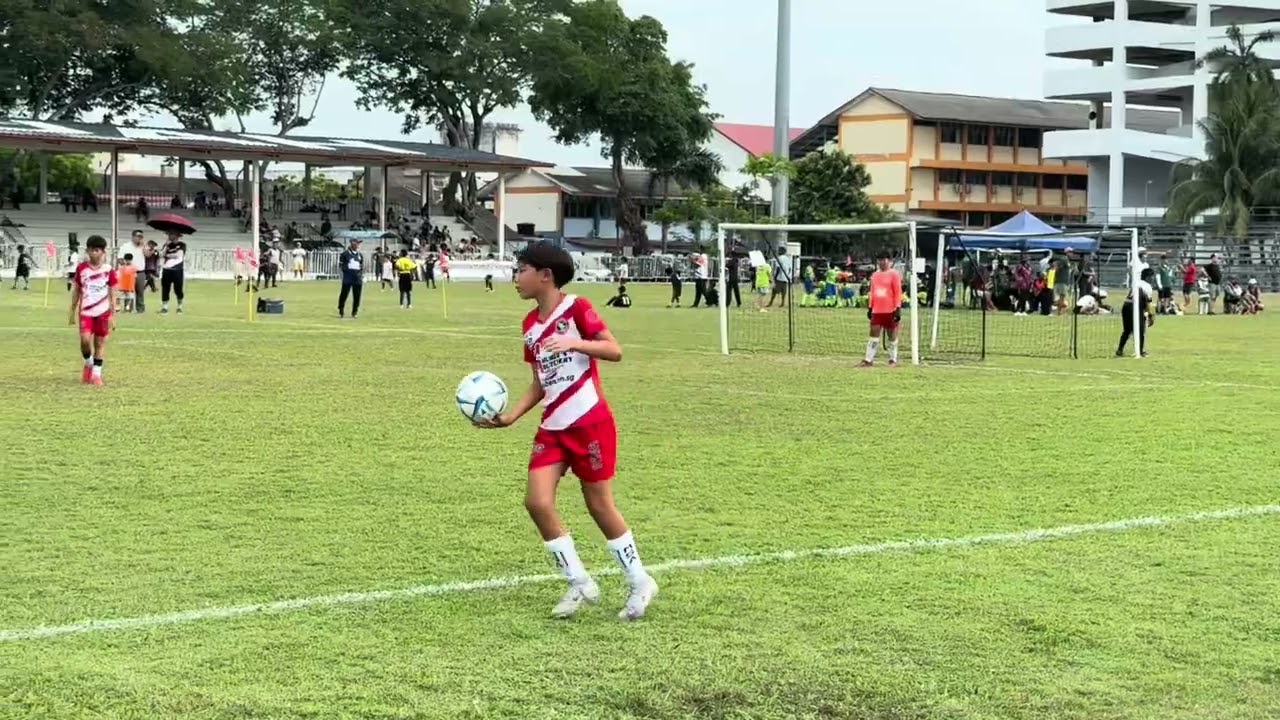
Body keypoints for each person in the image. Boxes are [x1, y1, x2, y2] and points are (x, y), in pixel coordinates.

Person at [475, 241, 656, 621]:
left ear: (545, 275)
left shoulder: (577, 308)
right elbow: (539, 382)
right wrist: (511, 417)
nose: (515, 278)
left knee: (599, 505)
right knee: (536, 502)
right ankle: (579, 581)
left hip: (590, 422)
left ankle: (640, 581)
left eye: (521, 270)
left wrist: (574, 342)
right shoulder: (529, 326)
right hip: (552, 428)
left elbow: (614, 350)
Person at [68, 235, 118, 385]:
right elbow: (77, 289)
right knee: (84, 341)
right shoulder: (82, 268)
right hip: (86, 312)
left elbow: (113, 293)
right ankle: (88, 363)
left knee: (100, 343)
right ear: (87, 251)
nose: (93, 253)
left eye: (97, 250)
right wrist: (72, 310)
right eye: (91, 250)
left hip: (103, 312)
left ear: (103, 252)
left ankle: (96, 374)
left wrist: (113, 315)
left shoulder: (108, 270)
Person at [862, 251, 903, 367]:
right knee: (873, 333)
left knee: (892, 335)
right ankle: (868, 359)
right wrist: (870, 307)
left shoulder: (894, 274)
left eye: (885, 260)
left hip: (890, 310)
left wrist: (897, 308)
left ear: (889, 261)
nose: (882, 262)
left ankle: (892, 359)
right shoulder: (875, 275)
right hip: (877, 310)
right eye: (880, 260)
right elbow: (872, 292)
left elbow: (897, 292)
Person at [1116, 268, 1155, 358]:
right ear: (1148, 277)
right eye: (1152, 277)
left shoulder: (1136, 283)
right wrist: (1151, 316)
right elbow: (1148, 303)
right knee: (1140, 330)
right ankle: (1140, 351)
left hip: (1126, 306)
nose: (1153, 279)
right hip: (1135, 307)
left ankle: (1120, 349)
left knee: (1127, 330)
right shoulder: (1147, 286)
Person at [160, 231, 187, 314]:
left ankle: (179, 306)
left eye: (171, 234)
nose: (169, 235)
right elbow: (161, 255)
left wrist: (168, 255)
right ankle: (165, 307)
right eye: (169, 234)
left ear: (176, 235)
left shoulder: (182, 245)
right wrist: (166, 246)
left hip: (177, 270)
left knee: (178, 289)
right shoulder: (166, 245)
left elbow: (178, 255)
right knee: (165, 288)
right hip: (166, 269)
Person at [338, 237, 364, 319]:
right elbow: (340, 266)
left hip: (357, 278)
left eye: (359, 243)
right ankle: (341, 309)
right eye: (357, 243)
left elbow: (361, 266)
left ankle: (355, 311)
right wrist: (342, 276)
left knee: (357, 296)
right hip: (348, 277)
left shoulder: (360, 255)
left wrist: (361, 276)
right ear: (352, 243)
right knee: (344, 294)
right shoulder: (345, 254)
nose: (358, 245)